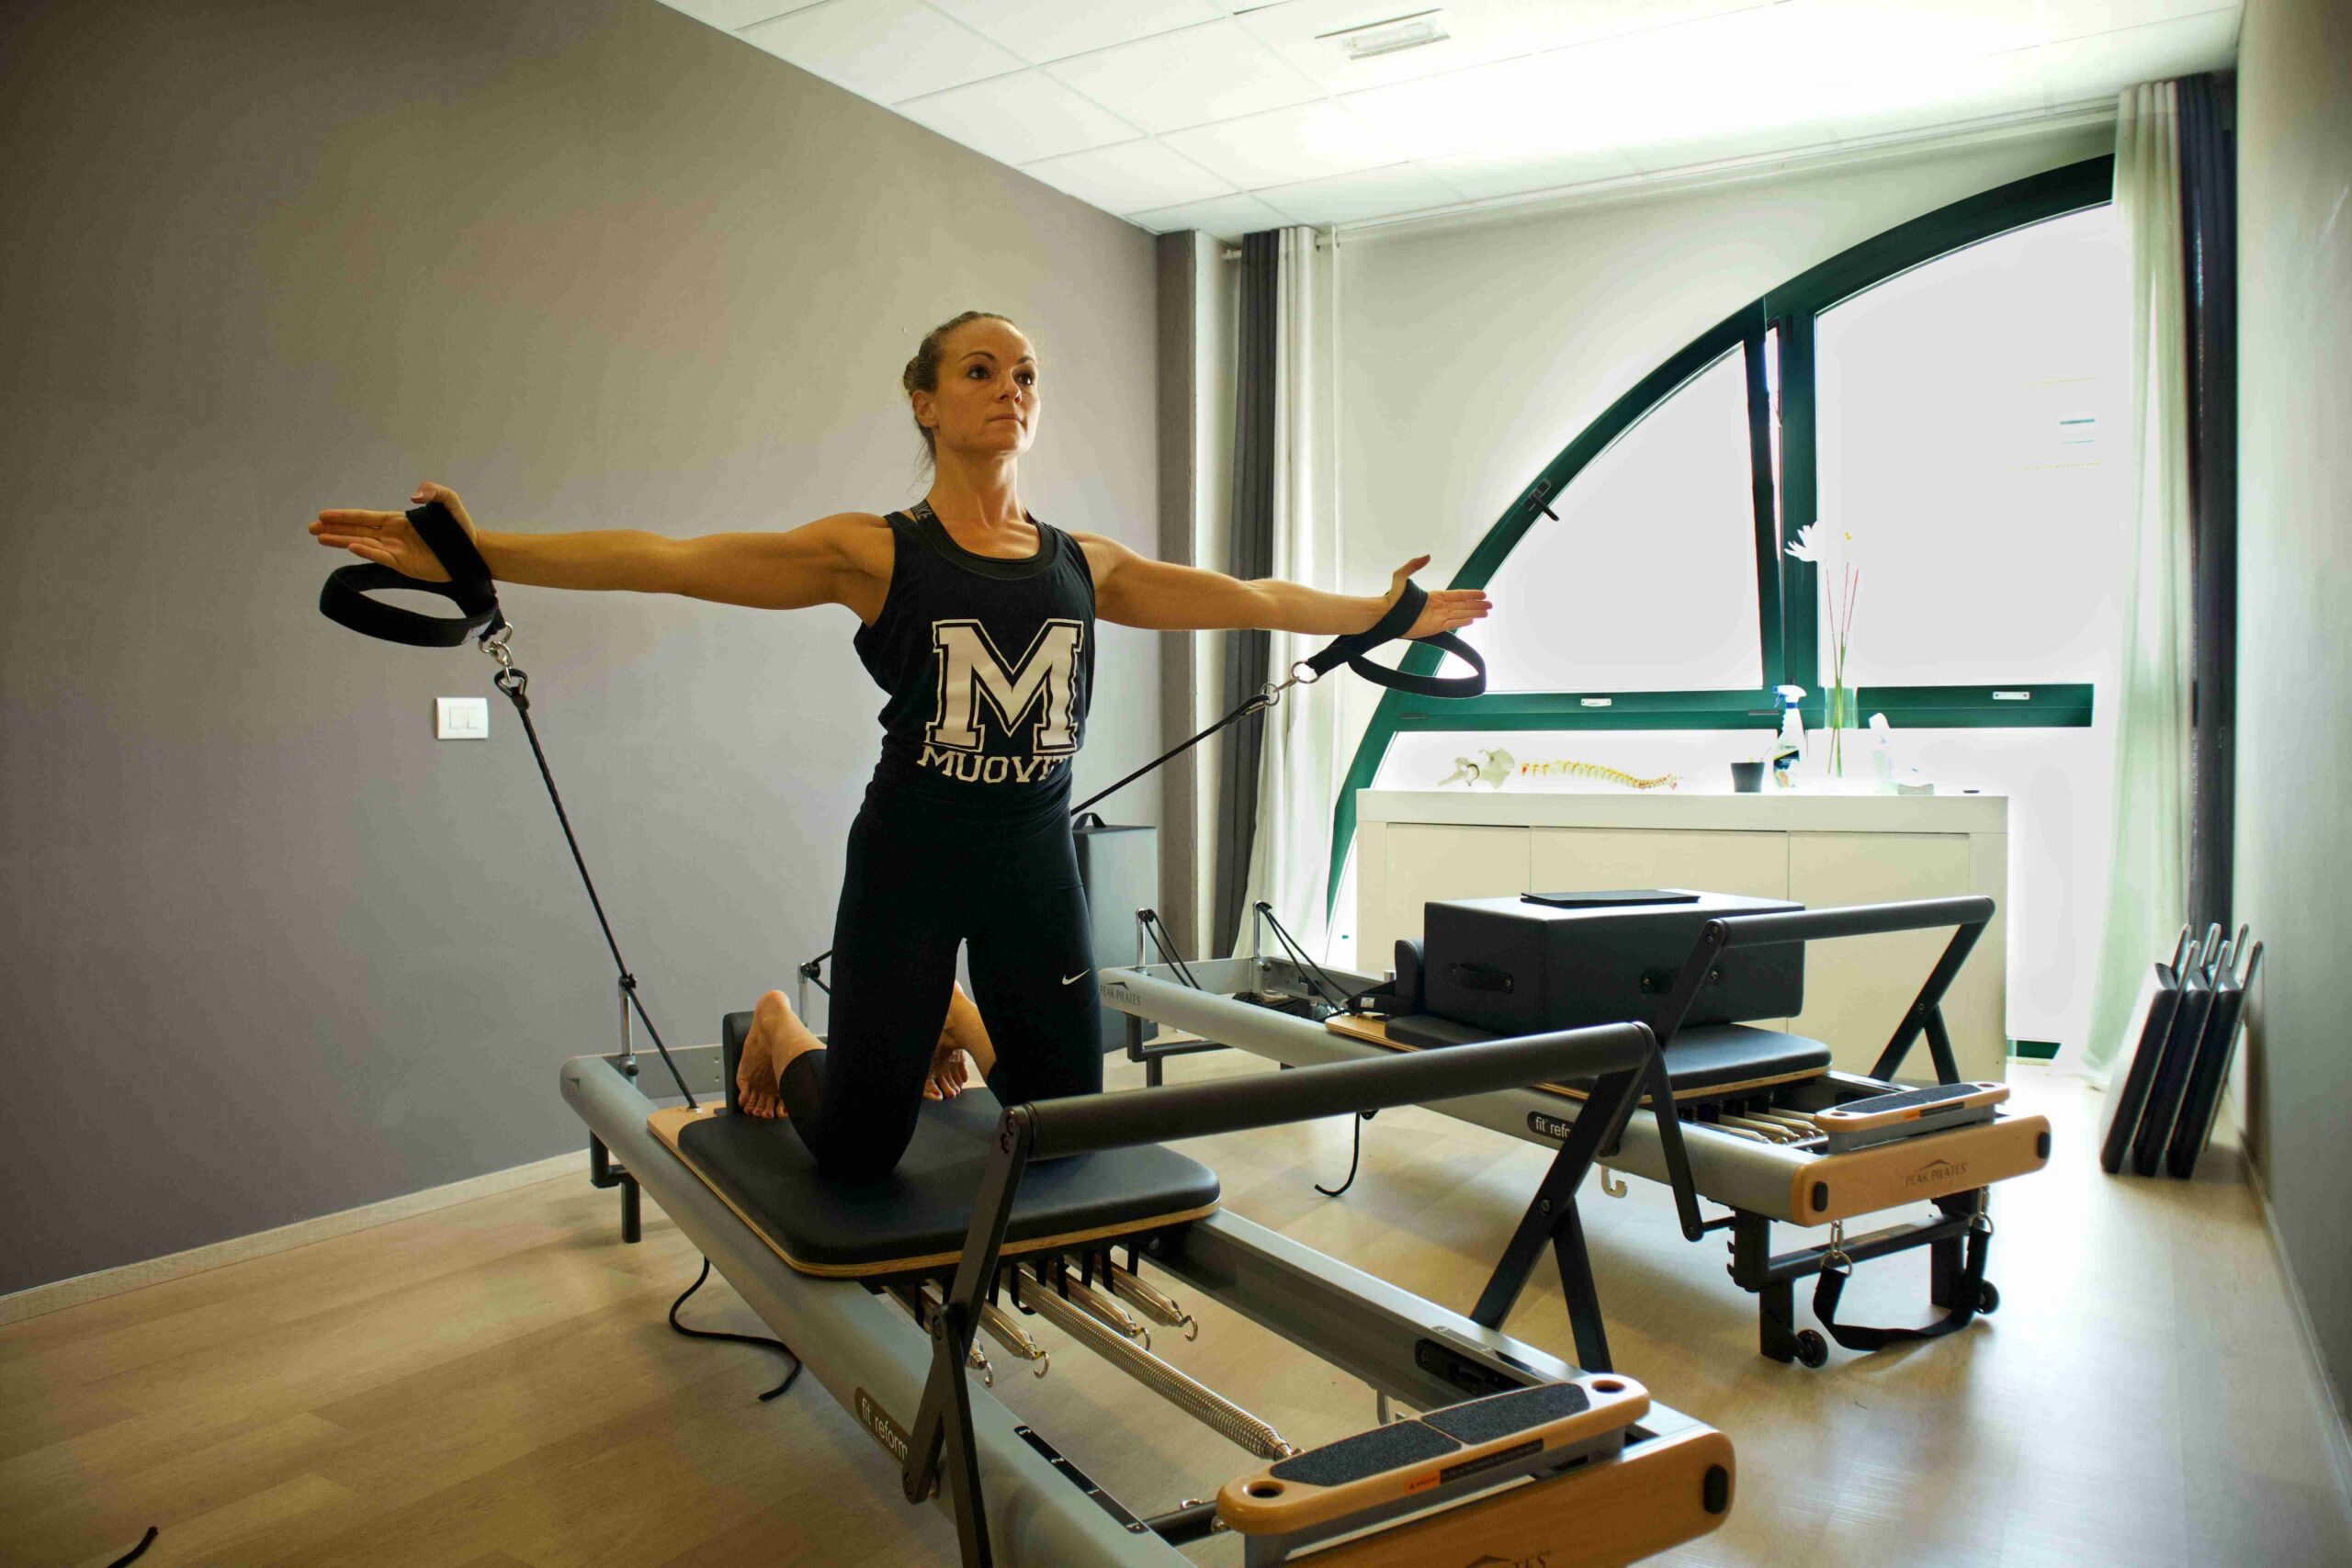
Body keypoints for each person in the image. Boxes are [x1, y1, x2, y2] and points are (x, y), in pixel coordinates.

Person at [310, 310, 1489, 1180]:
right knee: (857, 1152)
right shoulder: (875, 552)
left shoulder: (1084, 564)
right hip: (910, 861)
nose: (1009, 388)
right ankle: (783, 1027)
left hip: (1032, 863)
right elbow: (667, 559)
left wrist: (1380, 612)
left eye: (1025, 374)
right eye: (979, 370)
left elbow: (1251, 598)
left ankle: (953, 1019)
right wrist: (478, 552)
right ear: (923, 401)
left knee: (1067, 1129)